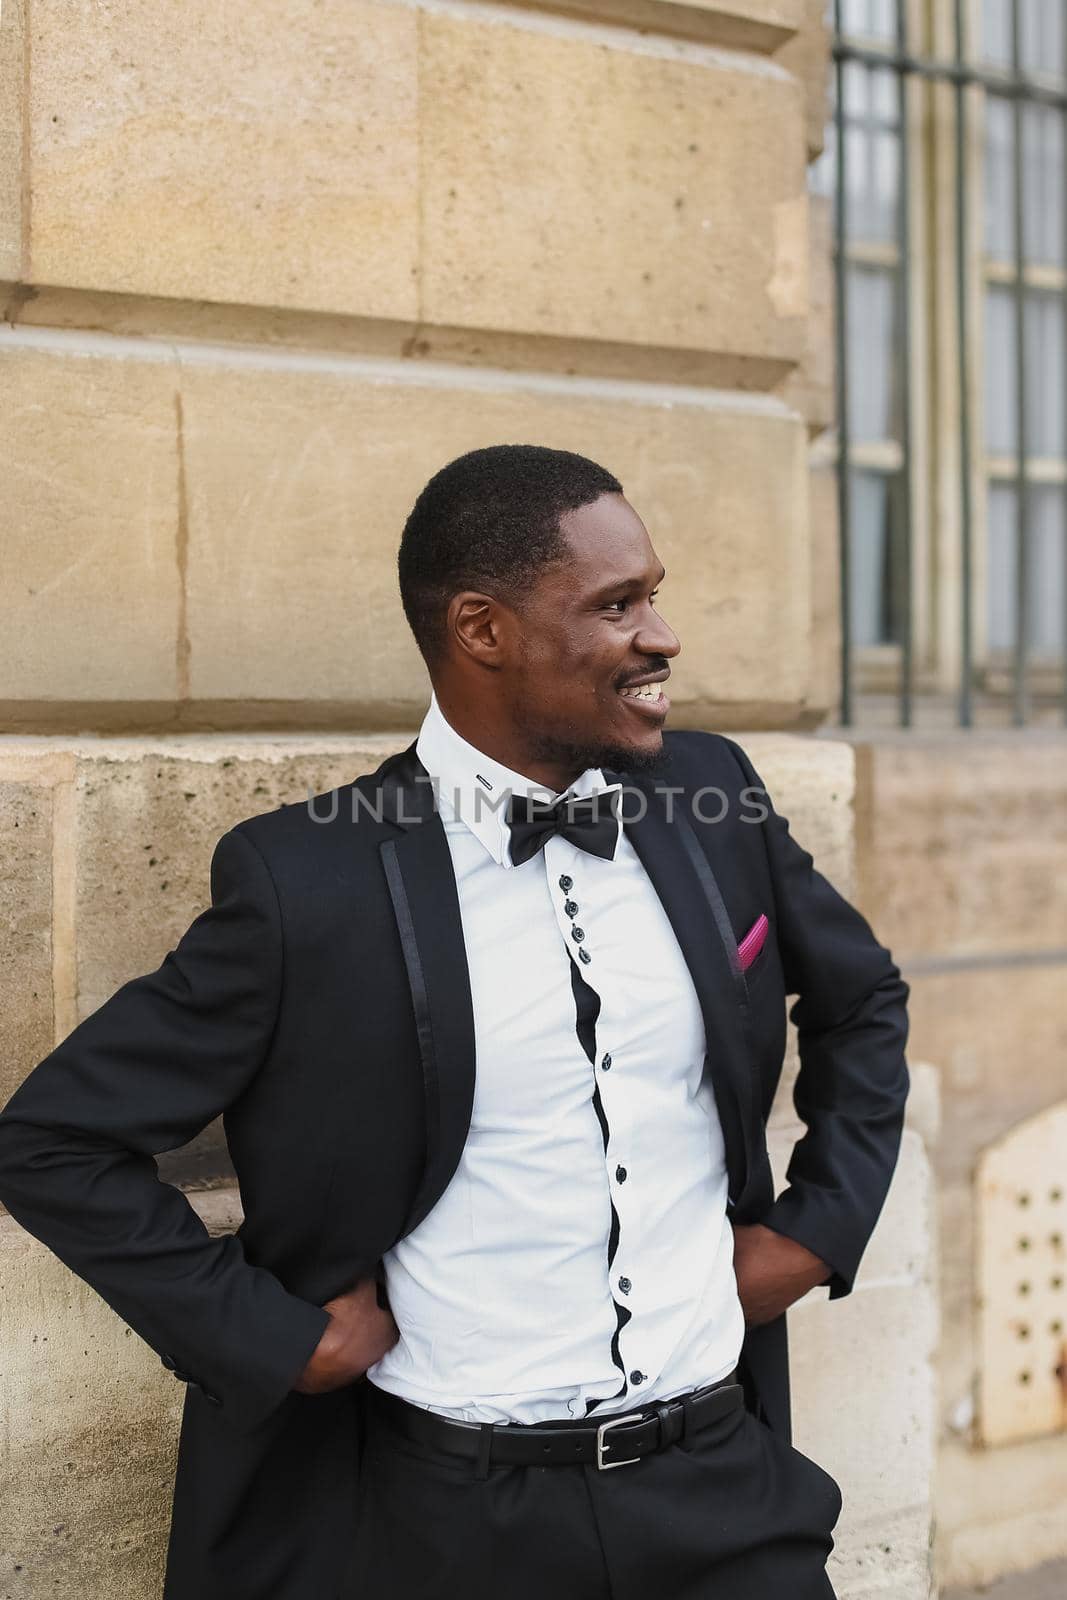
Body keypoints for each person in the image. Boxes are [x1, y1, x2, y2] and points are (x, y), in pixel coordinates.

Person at [0, 444, 909, 1600]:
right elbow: (53, 1139)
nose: (661, 635)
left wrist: (820, 1227)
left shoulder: (707, 799)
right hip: (446, 1527)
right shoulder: (307, 880)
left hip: (721, 1487)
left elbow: (861, 999)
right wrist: (273, 1338)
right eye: (616, 604)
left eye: (654, 594)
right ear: (481, 629)